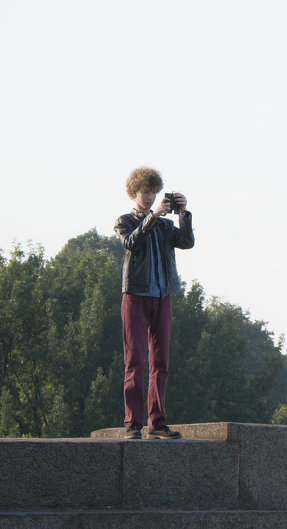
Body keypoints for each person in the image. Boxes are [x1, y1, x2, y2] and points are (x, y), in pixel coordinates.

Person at [114, 166, 194, 439]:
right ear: (134, 192)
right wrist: (152, 216)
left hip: (162, 295)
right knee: (134, 360)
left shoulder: (165, 225)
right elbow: (131, 243)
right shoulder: (125, 220)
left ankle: (156, 423)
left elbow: (187, 242)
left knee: (161, 362)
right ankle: (132, 423)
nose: (150, 197)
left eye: (154, 192)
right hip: (135, 295)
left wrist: (184, 215)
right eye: (145, 192)